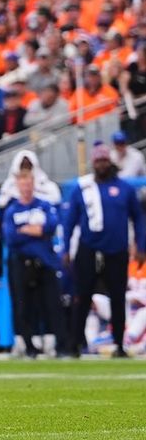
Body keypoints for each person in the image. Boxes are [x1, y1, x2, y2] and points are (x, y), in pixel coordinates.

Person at [63, 144, 146, 358]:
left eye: (104, 160)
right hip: (88, 250)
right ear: (93, 163)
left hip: (116, 251)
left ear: (110, 162)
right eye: (98, 161)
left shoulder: (125, 189)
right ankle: (74, 344)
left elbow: (138, 218)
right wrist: (65, 249)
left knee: (118, 298)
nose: (101, 164)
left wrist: (140, 245)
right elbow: (69, 221)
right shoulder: (82, 189)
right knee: (82, 297)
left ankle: (120, 343)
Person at [2, 170, 66, 358]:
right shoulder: (12, 210)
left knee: (52, 304)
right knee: (23, 305)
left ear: (33, 184)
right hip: (22, 262)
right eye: (23, 184)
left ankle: (58, 344)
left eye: (29, 184)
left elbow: (52, 225)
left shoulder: (43, 205)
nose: (26, 188)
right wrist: (35, 230)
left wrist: (26, 230)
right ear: (17, 186)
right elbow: (11, 237)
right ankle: (28, 345)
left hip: (44, 261)